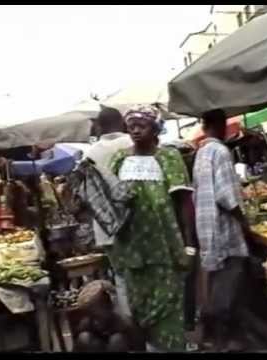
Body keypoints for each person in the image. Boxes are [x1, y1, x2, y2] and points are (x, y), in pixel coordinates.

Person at [109, 105, 196, 352]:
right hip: (132, 252)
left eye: (142, 126)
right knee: (138, 313)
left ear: (155, 128)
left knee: (169, 311)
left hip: (166, 250)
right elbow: (108, 202)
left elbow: (183, 203)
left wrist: (189, 245)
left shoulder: (168, 157)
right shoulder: (119, 159)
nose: (135, 131)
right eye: (131, 126)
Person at [192, 109, 250, 352]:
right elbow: (227, 196)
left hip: (206, 227)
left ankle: (216, 335)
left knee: (217, 281)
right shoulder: (220, 151)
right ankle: (224, 339)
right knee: (229, 284)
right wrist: (244, 222)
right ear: (221, 125)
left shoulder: (201, 153)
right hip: (223, 228)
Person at [84, 106, 133, 318]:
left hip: (107, 230)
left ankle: (129, 322)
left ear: (100, 126)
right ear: (121, 122)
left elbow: (87, 195)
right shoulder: (133, 144)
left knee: (120, 278)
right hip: (136, 224)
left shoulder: (90, 153)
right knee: (142, 275)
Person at [74, 280, 145, 352]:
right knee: (84, 339)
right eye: (92, 317)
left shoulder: (127, 324)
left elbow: (141, 349)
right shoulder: (85, 325)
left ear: (109, 307)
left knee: (117, 341)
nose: (96, 322)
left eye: (98, 317)